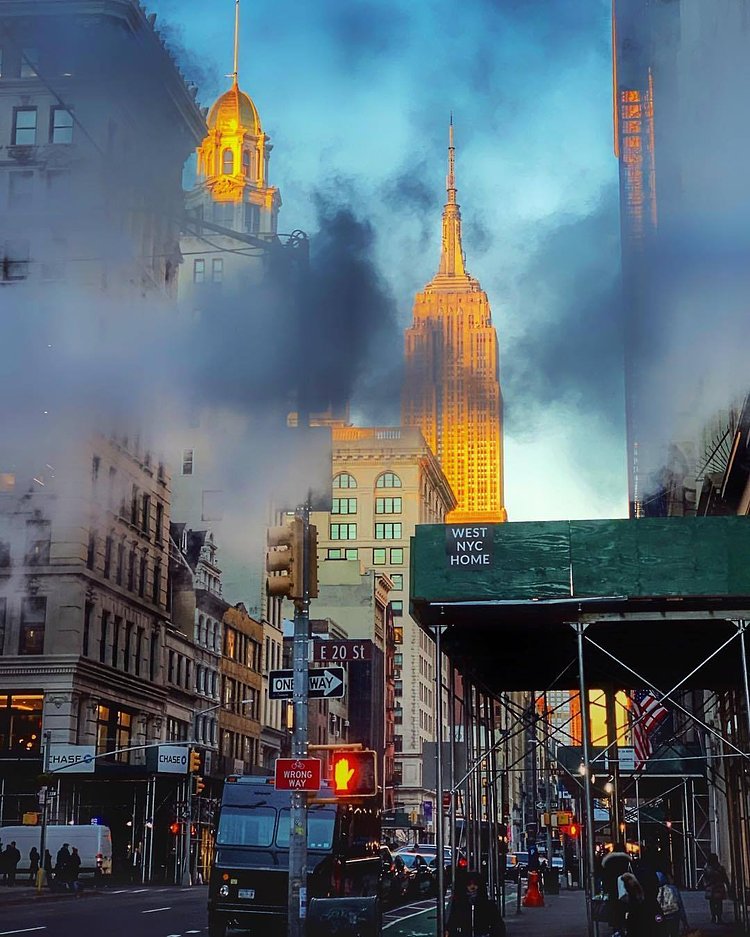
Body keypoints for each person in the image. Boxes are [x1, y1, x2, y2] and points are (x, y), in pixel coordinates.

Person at [445, 870, 506, 937]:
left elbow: (497, 925)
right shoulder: (458, 903)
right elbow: (452, 922)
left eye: (475, 884)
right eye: (469, 884)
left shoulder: (487, 904)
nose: (472, 886)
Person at [601, 842, 632, 935]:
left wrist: (605, 888)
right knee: (624, 908)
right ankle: (624, 927)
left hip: (612, 889)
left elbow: (604, 876)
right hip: (625, 888)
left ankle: (616, 929)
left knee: (614, 909)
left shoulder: (608, 861)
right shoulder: (627, 860)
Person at [655, 870, 688, 937]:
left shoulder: (653, 890)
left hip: (660, 916)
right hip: (673, 915)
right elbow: (679, 904)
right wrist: (684, 921)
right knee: (674, 933)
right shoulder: (672, 888)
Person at [701, 852, 731, 925]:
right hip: (718, 888)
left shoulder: (707, 869)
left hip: (711, 888)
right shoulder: (720, 868)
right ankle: (719, 917)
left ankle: (713, 916)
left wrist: (706, 885)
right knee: (719, 903)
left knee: (712, 903)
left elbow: (704, 878)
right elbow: (725, 878)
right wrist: (728, 886)